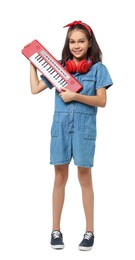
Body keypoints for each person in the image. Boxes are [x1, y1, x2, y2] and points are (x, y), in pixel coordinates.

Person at [29, 20, 113, 251]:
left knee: (85, 178)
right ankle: (55, 231)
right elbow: (35, 89)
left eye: (81, 41)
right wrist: (33, 63)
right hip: (61, 128)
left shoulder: (98, 69)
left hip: (85, 128)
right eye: (72, 41)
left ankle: (89, 232)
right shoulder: (59, 68)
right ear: (68, 43)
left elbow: (102, 101)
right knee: (59, 178)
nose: (76, 45)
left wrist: (75, 97)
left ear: (89, 43)